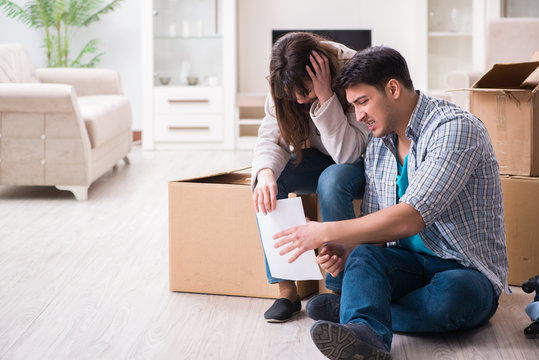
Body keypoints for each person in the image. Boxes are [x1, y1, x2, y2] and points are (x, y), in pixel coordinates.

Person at [273, 46, 509, 359]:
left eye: (362, 102)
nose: (358, 116)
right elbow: (375, 229)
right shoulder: (378, 143)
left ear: (393, 89)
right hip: (406, 265)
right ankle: (364, 333)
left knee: (453, 298)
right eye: (353, 106)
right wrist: (346, 252)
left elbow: (412, 217)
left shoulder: (454, 128)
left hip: (462, 269)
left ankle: (357, 310)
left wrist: (326, 231)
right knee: (364, 258)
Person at [251, 32, 370, 323]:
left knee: (332, 179)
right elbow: (272, 136)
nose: (299, 100)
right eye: (292, 95)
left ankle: (340, 291)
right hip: (322, 157)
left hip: (360, 160)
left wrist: (326, 96)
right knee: (268, 183)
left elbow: (349, 154)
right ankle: (287, 290)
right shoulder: (287, 80)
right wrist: (265, 172)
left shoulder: (354, 69)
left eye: (305, 91)